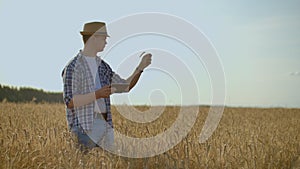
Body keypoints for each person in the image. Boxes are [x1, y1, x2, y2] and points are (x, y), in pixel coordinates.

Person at [62, 21, 152, 151]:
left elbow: (125, 86)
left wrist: (141, 67)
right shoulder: (73, 67)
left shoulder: (103, 66)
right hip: (84, 129)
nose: (106, 42)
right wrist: (97, 94)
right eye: (104, 38)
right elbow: (70, 101)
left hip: (105, 126)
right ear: (94, 38)